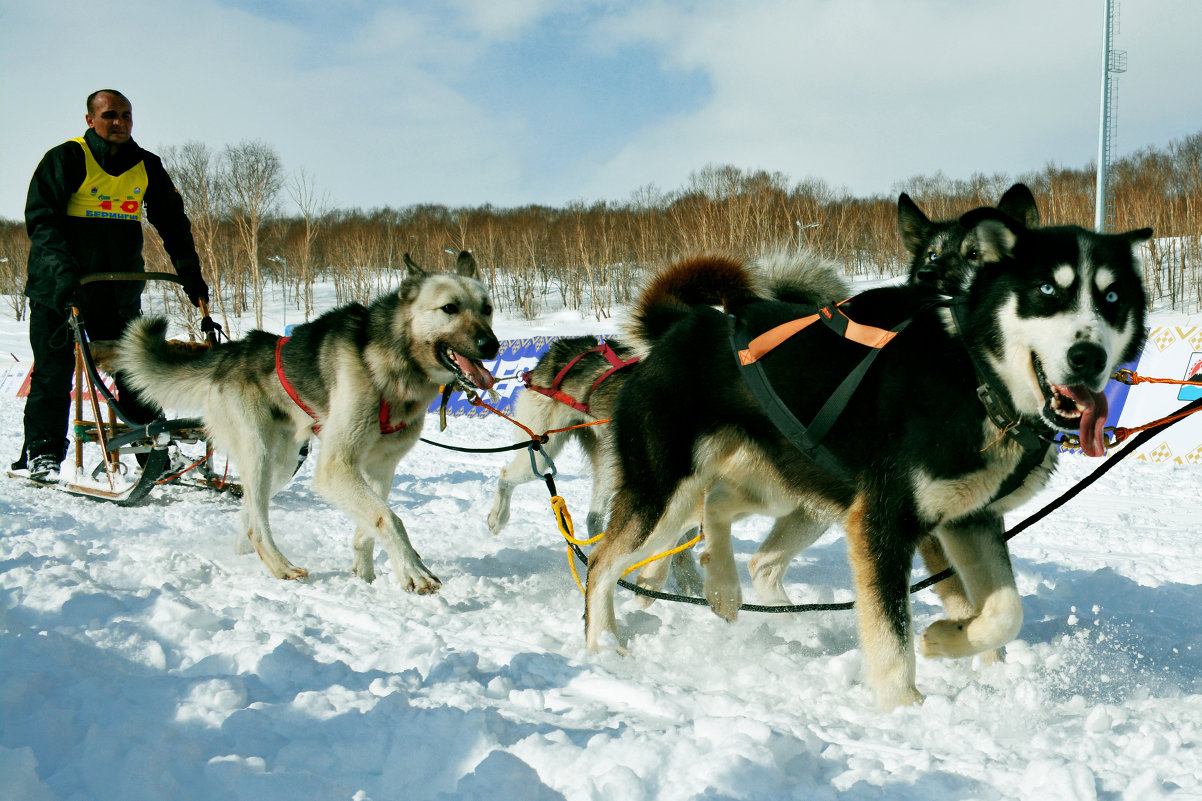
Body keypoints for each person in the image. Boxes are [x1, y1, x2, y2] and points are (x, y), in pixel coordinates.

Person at [12, 89, 208, 482]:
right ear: (91, 120)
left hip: (117, 292)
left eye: (126, 115)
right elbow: (43, 223)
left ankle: (150, 450)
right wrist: (63, 275)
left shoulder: (147, 165)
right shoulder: (65, 159)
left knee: (135, 370)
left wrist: (190, 273)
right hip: (60, 289)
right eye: (109, 115)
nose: (119, 122)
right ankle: (44, 454)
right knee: (53, 375)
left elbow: (173, 223)